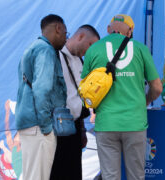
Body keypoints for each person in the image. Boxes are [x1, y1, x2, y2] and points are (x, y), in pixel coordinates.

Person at [81, 14, 162, 180]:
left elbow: (84, 89)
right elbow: (157, 88)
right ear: (130, 31)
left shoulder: (93, 49)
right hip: (135, 122)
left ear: (108, 29)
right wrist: (143, 102)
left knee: (110, 176)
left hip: (106, 124)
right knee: (136, 176)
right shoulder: (140, 48)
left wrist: (94, 109)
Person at [15, 14, 67, 180]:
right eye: (66, 33)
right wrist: (46, 127)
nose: (66, 38)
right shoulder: (45, 50)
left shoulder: (32, 47)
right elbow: (42, 89)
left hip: (31, 122)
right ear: (58, 28)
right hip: (39, 125)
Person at [50, 24, 100, 180]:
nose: (90, 50)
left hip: (75, 128)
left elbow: (81, 97)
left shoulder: (81, 61)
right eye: (90, 45)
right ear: (80, 37)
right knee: (56, 171)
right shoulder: (54, 55)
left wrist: (83, 129)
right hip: (56, 127)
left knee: (74, 172)